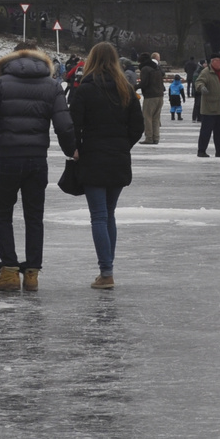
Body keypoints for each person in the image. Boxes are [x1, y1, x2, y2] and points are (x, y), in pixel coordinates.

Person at [0, 42, 75, 291]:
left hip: (8, 157)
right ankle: (33, 273)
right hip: (37, 160)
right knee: (34, 216)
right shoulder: (52, 85)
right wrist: (71, 151)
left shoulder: (1, 84)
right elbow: (64, 124)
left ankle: (10, 271)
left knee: (3, 213)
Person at [67, 42, 144, 289]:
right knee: (109, 214)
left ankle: (106, 272)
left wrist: (76, 148)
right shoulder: (127, 90)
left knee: (99, 216)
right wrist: (123, 145)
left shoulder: (85, 89)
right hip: (118, 158)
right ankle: (107, 270)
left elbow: (73, 124)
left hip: (93, 157)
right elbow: (138, 127)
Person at [194, 56, 220, 158]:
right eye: (219, 61)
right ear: (213, 62)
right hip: (209, 108)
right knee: (206, 131)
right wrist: (201, 87)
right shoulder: (206, 72)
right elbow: (199, 82)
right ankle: (201, 150)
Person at [138, 53, 165, 144]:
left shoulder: (145, 69)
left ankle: (149, 138)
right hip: (160, 95)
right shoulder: (156, 67)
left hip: (150, 96)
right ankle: (156, 137)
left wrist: (134, 87)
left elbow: (144, 83)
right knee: (156, 118)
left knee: (147, 117)